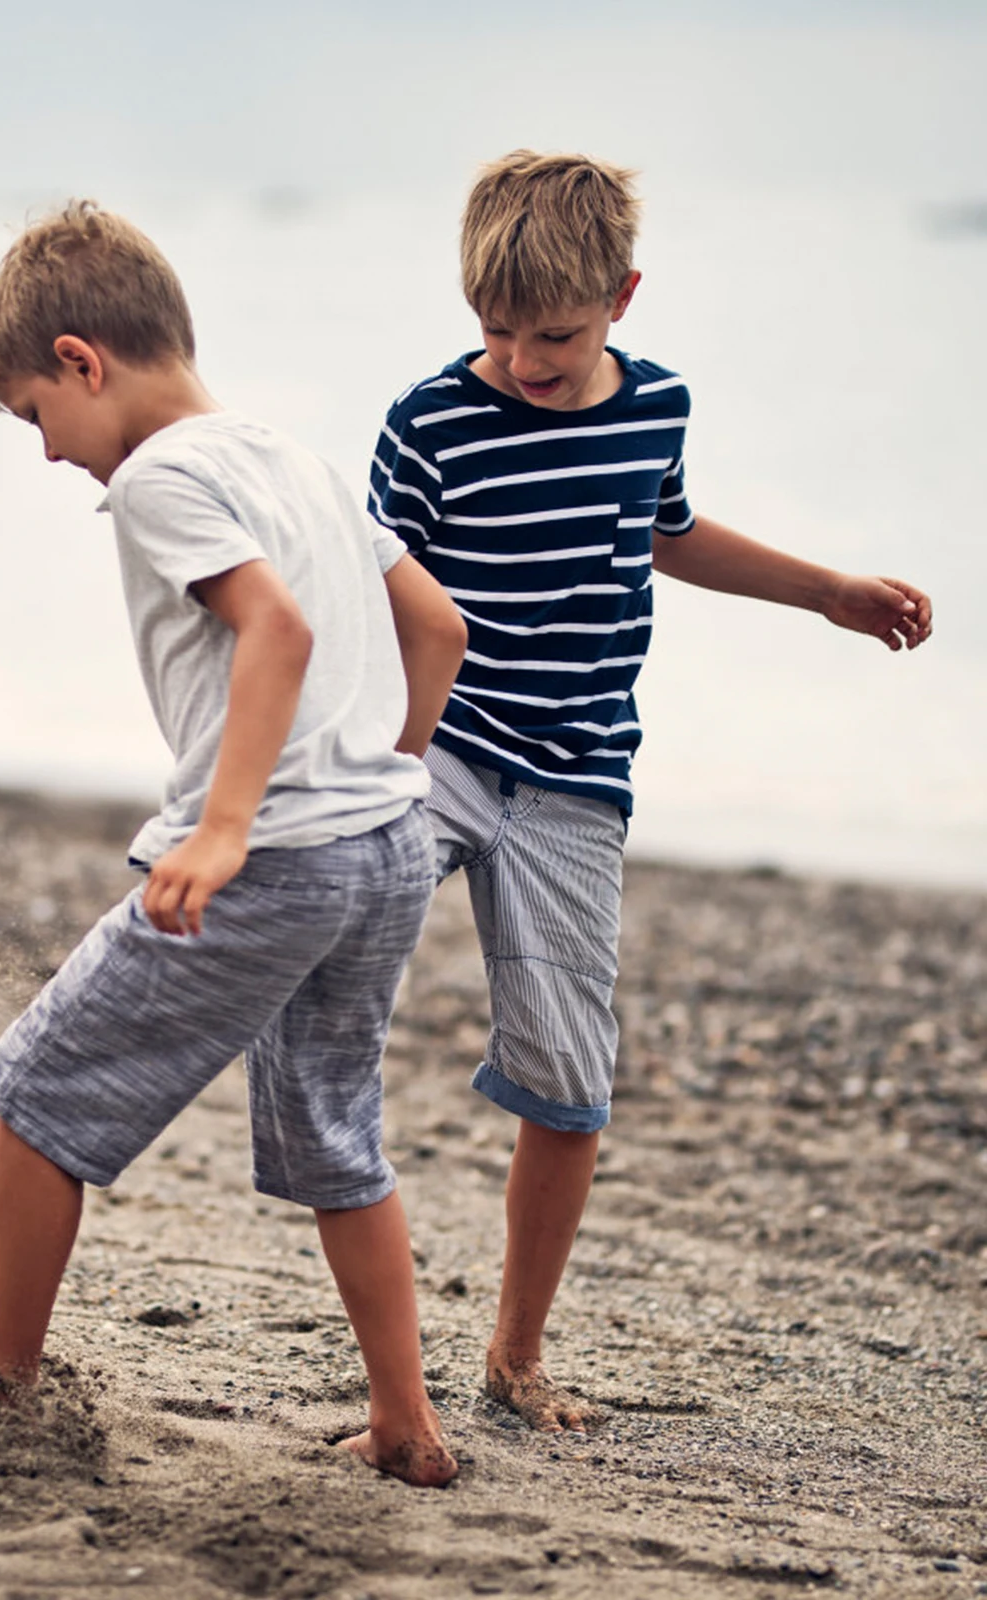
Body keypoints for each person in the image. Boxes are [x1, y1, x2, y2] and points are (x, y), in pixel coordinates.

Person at [0, 200, 469, 1487]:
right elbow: (438, 627)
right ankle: (406, 1422)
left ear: (82, 360)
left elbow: (277, 633)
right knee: (338, 1136)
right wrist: (380, 774)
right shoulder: (288, 454)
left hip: (278, 855)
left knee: (36, 1090)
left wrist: (230, 826)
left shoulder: (162, 478)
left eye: (32, 415)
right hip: (386, 846)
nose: (45, 450)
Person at [368, 150, 933, 1435]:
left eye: (554, 333)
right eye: (495, 329)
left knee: (569, 1081)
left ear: (622, 296)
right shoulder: (426, 422)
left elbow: (667, 530)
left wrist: (827, 590)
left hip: (576, 776)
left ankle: (515, 1357)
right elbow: (373, 589)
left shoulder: (655, 404)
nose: (522, 358)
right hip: (440, 746)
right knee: (331, 948)